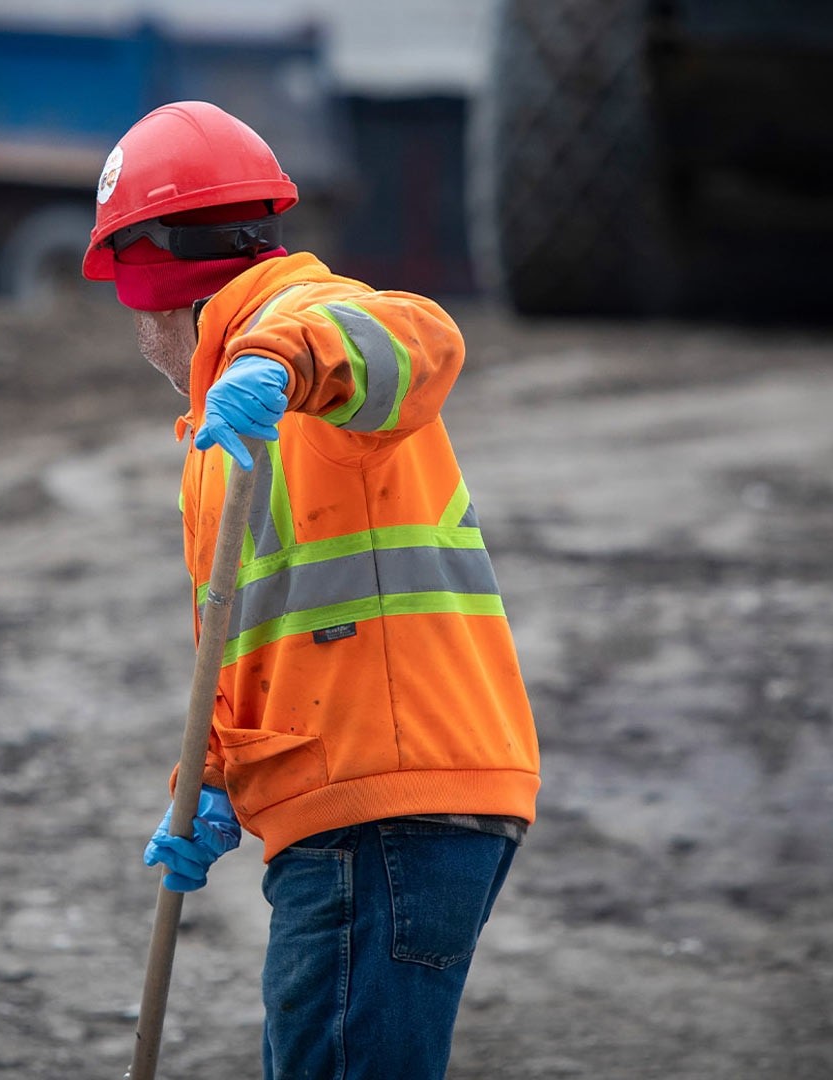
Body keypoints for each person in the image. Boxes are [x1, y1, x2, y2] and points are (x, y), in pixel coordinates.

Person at [84, 101, 541, 1080]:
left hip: (382, 802)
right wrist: (200, 787)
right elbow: (238, 644)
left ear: (148, 282)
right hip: (361, 806)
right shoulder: (224, 443)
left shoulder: (303, 334)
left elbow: (422, 336)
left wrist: (279, 360)